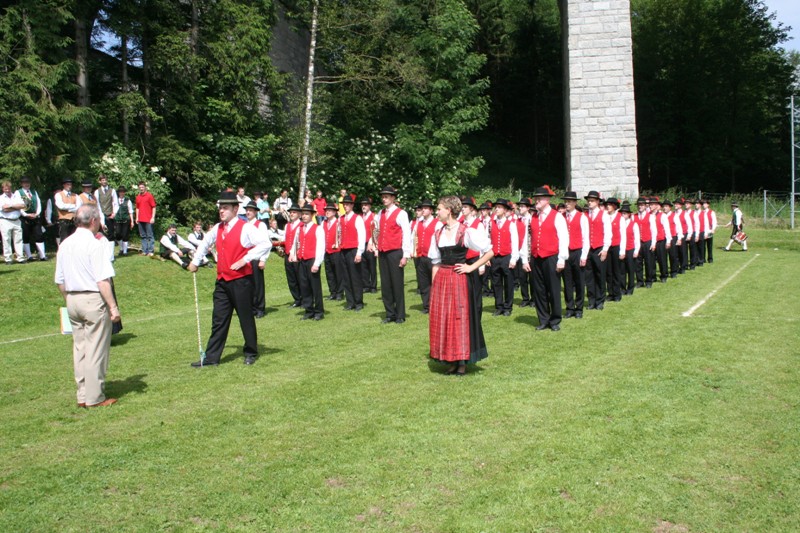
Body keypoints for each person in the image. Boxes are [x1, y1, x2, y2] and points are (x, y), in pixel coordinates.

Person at [188, 190, 271, 367]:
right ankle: (211, 358)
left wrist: (246, 259)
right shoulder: (218, 228)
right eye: (220, 208)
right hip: (223, 281)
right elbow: (204, 244)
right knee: (219, 319)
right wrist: (195, 261)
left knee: (245, 317)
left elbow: (266, 243)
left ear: (235, 208)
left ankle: (251, 351)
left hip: (241, 281)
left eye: (225, 208)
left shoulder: (246, 227)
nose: (221, 211)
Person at [54, 205, 121, 407]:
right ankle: (94, 397)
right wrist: (113, 307)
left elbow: (59, 280)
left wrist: (69, 299)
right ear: (93, 220)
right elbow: (102, 280)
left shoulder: (65, 244)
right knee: (96, 349)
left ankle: (82, 395)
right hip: (92, 299)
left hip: (72, 299)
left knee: (80, 348)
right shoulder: (95, 244)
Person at [428, 195, 493, 376]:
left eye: (439, 208)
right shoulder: (438, 232)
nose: (437, 212)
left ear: (449, 210)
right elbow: (436, 261)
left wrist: (471, 267)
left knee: (459, 319)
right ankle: (450, 359)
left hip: (458, 279)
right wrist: (434, 286)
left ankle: (462, 361)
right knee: (445, 319)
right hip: (442, 279)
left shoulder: (465, 231)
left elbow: (489, 251)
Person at [521, 186, 568, 331]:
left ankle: (555, 320)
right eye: (536, 198)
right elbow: (527, 239)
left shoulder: (557, 216)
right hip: (536, 257)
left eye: (539, 198)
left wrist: (561, 259)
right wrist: (524, 259)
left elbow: (563, 238)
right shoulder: (533, 217)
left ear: (547, 200)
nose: (536, 201)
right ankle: (543, 319)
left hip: (551, 257)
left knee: (553, 289)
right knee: (539, 290)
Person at [374, 185, 412, 324]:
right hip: (383, 252)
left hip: (395, 252)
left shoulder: (401, 213)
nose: (384, 199)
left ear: (393, 198)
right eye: (383, 197)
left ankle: (400, 314)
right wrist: (376, 245)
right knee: (385, 284)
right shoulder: (380, 213)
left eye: (387, 197)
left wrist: (405, 255)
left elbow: (406, 234)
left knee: (397, 283)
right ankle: (390, 313)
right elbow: (377, 231)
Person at [290, 205, 326, 320]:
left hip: (312, 260)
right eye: (303, 214)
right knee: (304, 286)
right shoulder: (299, 228)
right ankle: (309, 309)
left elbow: (321, 247)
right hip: (302, 260)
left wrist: (317, 263)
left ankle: (319, 311)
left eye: (307, 214)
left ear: (312, 215)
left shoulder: (318, 228)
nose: (304, 216)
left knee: (315, 287)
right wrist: (293, 254)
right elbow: (296, 243)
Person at [561, 191, 589, 318]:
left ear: (575, 203)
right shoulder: (561, 217)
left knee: (579, 281)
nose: (567, 204)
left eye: (569, 202)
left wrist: (583, 256)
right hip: (566, 252)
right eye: (566, 201)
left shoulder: (581, 217)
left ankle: (579, 308)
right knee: (567, 281)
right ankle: (569, 307)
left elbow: (585, 238)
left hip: (577, 251)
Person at [489, 198, 519, 316]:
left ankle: (508, 307)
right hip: (495, 257)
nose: (497, 209)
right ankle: (499, 306)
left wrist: (513, 258)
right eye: (496, 207)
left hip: (506, 256)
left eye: (500, 207)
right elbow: (489, 240)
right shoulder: (492, 224)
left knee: (508, 282)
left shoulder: (511, 224)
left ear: (505, 210)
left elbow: (515, 242)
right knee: (496, 282)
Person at [338, 194, 366, 311]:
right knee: (346, 277)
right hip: (343, 250)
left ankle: (358, 302)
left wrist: (359, 252)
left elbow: (362, 235)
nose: (346, 206)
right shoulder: (341, 218)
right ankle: (350, 302)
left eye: (348, 204)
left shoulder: (357, 218)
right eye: (344, 204)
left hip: (353, 250)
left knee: (355, 277)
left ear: (352, 205)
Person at [412, 199, 440, 314]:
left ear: (431, 210)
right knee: (423, 283)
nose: (423, 210)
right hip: (420, 256)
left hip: (433, 257)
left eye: (425, 208)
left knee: (435, 282)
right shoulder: (418, 223)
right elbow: (413, 237)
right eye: (422, 208)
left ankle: (436, 305)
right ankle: (427, 306)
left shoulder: (437, 223)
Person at [584, 191, 610, 310]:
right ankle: (591, 300)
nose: (590, 202)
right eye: (589, 200)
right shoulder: (584, 215)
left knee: (600, 275)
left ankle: (600, 300)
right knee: (589, 276)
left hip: (599, 248)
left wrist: (605, 249)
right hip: (588, 248)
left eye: (592, 200)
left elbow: (608, 233)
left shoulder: (604, 214)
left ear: (598, 202)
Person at [244, 201, 271, 318]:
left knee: (258, 284)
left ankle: (260, 308)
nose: (248, 212)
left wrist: (263, 259)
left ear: (255, 212)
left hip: (256, 257)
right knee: (249, 284)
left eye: (250, 210)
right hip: (247, 258)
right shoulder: (245, 225)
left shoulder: (260, 225)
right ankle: (252, 307)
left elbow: (266, 243)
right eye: (247, 210)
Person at [18, 176, 47, 261]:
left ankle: (42, 255)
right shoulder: (18, 192)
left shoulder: (34, 192)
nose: (26, 184)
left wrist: (37, 213)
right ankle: (29, 256)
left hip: (35, 217)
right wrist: (26, 215)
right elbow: (18, 206)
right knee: (25, 236)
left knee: (39, 235)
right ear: (21, 184)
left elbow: (38, 203)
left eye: (28, 183)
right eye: (24, 183)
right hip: (25, 217)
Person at [604, 197, 626, 302]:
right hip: (607, 247)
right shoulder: (605, 217)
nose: (607, 206)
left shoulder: (620, 218)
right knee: (608, 271)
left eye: (609, 205)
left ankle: (617, 294)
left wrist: (622, 250)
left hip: (616, 246)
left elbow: (623, 235)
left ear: (614, 206)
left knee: (616, 271)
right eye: (606, 205)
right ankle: (610, 292)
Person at [322, 202, 345, 301]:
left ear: (334, 212)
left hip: (336, 250)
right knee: (329, 272)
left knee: (338, 272)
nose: (327, 212)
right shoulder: (324, 223)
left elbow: (342, 236)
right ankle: (333, 292)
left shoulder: (338, 222)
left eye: (329, 210)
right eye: (326, 210)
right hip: (327, 251)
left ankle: (340, 292)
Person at [1, 181, 26, 264]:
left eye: (8, 189)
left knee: (18, 239)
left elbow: (23, 205)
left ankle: (20, 257)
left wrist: (10, 206)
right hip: (5, 220)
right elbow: (4, 209)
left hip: (16, 220)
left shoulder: (16, 196)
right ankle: (8, 259)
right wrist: (16, 207)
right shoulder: (1, 198)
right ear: (3, 189)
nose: (7, 190)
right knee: (6, 240)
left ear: (11, 188)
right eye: (5, 189)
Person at [634, 197, 657, 286]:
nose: (640, 207)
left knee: (648, 262)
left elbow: (654, 230)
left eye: (642, 205)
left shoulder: (650, 216)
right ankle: (640, 281)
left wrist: (653, 243)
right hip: (638, 242)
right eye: (639, 205)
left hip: (647, 241)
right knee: (638, 263)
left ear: (645, 206)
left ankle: (649, 280)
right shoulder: (634, 216)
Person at [283, 205, 303, 307]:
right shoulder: (287, 226)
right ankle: (297, 299)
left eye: (294, 212)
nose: (291, 214)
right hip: (287, 255)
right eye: (290, 212)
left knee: (300, 277)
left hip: (297, 255)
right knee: (291, 278)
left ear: (299, 214)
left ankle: (304, 298)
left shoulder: (302, 225)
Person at [515, 198, 534, 307]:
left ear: (528, 208)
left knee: (532, 277)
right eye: (520, 206)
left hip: (530, 251)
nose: (520, 208)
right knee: (522, 277)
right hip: (520, 251)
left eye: (523, 206)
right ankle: (525, 298)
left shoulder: (531, 219)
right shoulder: (517, 220)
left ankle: (533, 298)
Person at [94, 174, 118, 254]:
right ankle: (103, 254)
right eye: (102, 180)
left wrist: (114, 213)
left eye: (105, 180)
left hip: (110, 215)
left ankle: (111, 255)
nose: (104, 181)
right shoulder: (97, 192)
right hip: (101, 216)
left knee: (111, 235)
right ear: (100, 181)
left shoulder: (112, 190)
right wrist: (101, 219)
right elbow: (97, 205)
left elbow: (115, 203)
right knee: (101, 235)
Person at [619, 201, 639, 295]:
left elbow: (636, 238)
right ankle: (622, 288)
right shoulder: (620, 224)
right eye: (622, 213)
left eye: (625, 213)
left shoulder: (634, 224)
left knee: (631, 270)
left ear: (629, 214)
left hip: (630, 249)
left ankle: (630, 288)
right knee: (622, 270)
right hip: (622, 250)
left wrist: (636, 250)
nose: (623, 215)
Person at [360, 197, 378, 293]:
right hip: (362, 243)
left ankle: (373, 286)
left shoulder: (374, 216)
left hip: (371, 243)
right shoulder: (360, 217)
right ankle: (366, 285)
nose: (364, 206)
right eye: (363, 205)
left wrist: (372, 244)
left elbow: (375, 231)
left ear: (370, 206)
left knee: (372, 265)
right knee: (363, 265)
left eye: (366, 205)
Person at [135, 181, 157, 256]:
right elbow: (137, 208)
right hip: (140, 219)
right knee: (143, 236)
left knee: (150, 236)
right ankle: (144, 251)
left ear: (145, 187)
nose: (141, 189)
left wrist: (152, 217)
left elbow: (154, 207)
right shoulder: (138, 197)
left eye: (142, 187)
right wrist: (137, 217)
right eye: (140, 187)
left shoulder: (149, 196)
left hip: (148, 219)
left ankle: (151, 251)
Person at [663, 199, 683, 278]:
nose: (664, 208)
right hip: (664, 238)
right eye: (664, 206)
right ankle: (665, 272)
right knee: (663, 256)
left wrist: (679, 238)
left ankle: (673, 271)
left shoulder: (674, 215)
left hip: (673, 237)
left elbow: (679, 227)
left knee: (673, 255)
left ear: (670, 208)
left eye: (666, 206)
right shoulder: (662, 215)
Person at [55, 178, 78, 244]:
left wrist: (67, 208)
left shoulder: (75, 195)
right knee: (64, 239)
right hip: (64, 220)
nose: (69, 186)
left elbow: (79, 206)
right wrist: (73, 206)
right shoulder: (58, 194)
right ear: (64, 185)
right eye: (68, 184)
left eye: (70, 184)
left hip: (74, 220)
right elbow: (61, 206)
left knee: (74, 239)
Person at [675, 198, 693, 273]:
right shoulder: (674, 214)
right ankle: (677, 266)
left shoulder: (685, 214)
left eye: (677, 204)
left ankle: (683, 266)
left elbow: (689, 225)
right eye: (675, 204)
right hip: (676, 234)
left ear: (680, 205)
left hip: (684, 234)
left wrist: (689, 234)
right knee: (676, 252)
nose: (675, 205)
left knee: (683, 251)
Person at [702, 199, 717, 263]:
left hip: (709, 230)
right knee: (703, 245)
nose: (704, 205)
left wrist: (713, 229)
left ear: (708, 205)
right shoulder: (702, 212)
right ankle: (703, 258)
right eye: (703, 204)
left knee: (709, 245)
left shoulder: (711, 212)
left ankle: (710, 258)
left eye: (705, 204)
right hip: (703, 231)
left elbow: (714, 221)